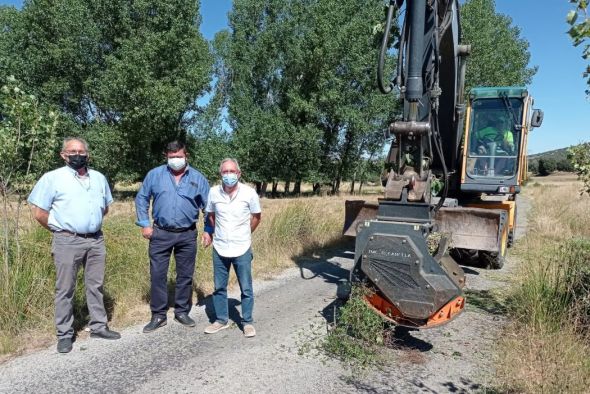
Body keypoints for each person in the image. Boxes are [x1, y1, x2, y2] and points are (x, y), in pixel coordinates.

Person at [28, 137, 120, 354]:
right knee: (65, 288)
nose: (77, 154)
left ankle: (98, 326)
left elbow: (104, 208)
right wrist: (61, 230)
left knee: (95, 285)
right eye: (72, 151)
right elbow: (39, 213)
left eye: (81, 151)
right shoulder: (52, 178)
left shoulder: (98, 178)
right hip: (67, 240)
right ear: (63, 155)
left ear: (88, 154)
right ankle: (65, 334)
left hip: (96, 239)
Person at [135, 141, 212, 333]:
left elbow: (208, 207)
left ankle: (181, 311)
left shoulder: (198, 178)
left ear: (186, 156)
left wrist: (208, 230)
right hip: (160, 233)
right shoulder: (155, 175)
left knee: (185, 276)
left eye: (179, 156)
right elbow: (142, 198)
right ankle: (159, 315)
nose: (175, 160)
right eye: (171, 157)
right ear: (166, 156)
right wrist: (144, 224)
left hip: (187, 234)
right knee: (158, 275)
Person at [203, 158, 262, 338]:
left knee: (246, 287)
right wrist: (212, 233)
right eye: (225, 172)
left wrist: (244, 233)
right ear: (220, 174)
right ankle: (221, 320)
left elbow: (257, 217)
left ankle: (247, 322)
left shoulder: (249, 193)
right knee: (219, 287)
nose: (228, 175)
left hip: (242, 247)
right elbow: (211, 216)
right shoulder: (213, 193)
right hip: (220, 247)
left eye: (232, 171)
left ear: (239, 173)